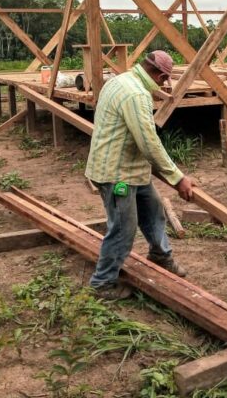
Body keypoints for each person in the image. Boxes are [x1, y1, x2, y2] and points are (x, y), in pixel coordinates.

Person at [85, 50, 193, 300]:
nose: (163, 85)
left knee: (154, 210)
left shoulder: (119, 80)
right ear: (160, 75)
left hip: (132, 168)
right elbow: (148, 142)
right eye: (164, 80)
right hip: (116, 174)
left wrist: (172, 175)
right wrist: (178, 178)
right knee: (123, 227)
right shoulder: (135, 94)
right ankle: (102, 283)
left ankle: (160, 255)